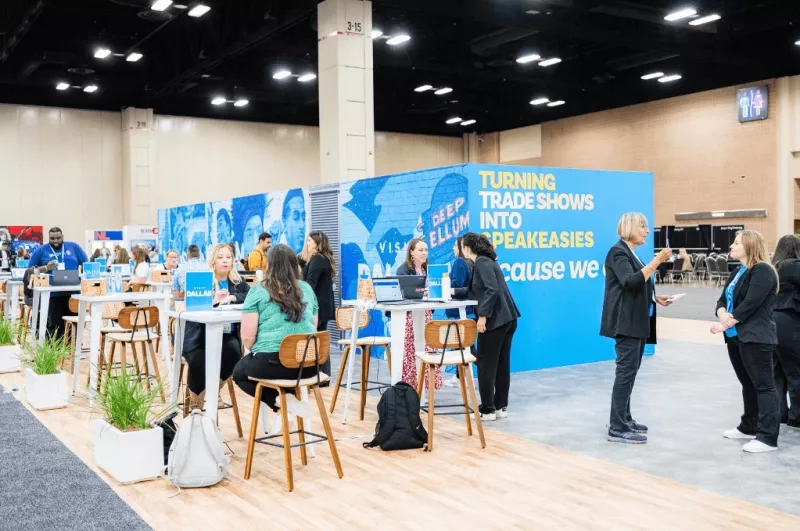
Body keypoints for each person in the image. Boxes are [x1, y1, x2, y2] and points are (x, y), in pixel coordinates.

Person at [600, 213, 673, 444]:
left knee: (630, 372)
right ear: (631, 228)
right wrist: (657, 261)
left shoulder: (631, 253)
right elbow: (630, 281)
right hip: (626, 322)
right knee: (625, 373)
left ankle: (625, 418)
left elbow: (639, 284)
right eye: (643, 226)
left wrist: (654, 297)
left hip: (638, 321)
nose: (647, 231)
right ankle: (617, 426)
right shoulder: (617, 252)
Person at [711, 230, 780, 453]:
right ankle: (748, 426)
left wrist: (724, 324)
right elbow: (722, 300)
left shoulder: (763, 270)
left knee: (764, 386)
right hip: (736, 336)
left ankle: (767, 437)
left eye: (736, 243)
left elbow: (750, 303)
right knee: (747, 383)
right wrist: (722, 315)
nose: (731, 246)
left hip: (756, 336)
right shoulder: (737, 271)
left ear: (749, 246)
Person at [233, 244, 319, 417]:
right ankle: (287, 402)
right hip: (309, 365)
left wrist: (260, 350)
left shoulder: (258, 290)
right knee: (271, 368)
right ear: (295, 265)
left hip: (273, 364)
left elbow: (248, 338)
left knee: (239, 373)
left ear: (269, 265)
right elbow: (313, 325)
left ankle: (279, 400)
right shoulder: (307, 289)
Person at [451, 233, 520, 420]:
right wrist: (453, 291)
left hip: (495, 320)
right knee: (501, 364)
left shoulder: (482, 263)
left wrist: (482, 316)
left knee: (486, 364)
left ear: (467, 247)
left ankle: (487, 409)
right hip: (507, 318)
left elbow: (492, 289)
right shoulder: (485, 262)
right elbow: (477, 290)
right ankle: (500, 407)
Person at [180, 244, 250, 409]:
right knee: (199, 360)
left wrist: (232, 297)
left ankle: (211, 391)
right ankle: (196, 406)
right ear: (213, 261)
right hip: (198, 335)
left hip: (226, 335)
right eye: (220, 257)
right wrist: (214, 301)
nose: (225, 261)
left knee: (234, 353)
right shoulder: (203, 280)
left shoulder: (238, 282)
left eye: (228, 257)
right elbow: (191, 305)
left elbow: (250, 296)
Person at [396, 238, 442, 389]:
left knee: (428, 349)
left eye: (426, 250)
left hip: (426, 315)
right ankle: (411, 387)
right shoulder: (403, 270)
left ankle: (426, 386)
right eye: (420, 250)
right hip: (410, 317)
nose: (424, 253)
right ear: (411, 252)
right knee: (411, 351)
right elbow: (404, 293)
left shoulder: (429, 270)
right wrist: (422, 292)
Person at [28, 227, 88, 339]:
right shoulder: (41, 251)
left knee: (73, 323)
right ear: (48, 238)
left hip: (73, 293)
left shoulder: (74, 247)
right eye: (52, 238)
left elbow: (87, 264)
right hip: (52, 295)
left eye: (58, 238)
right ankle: (55, 346)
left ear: (62, 236)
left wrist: (84, 277)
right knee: (55, 325)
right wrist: (46, 267)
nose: (55, 241)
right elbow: (30, 270)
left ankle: (73, 345)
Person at [771, 234, 800, 428]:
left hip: (771, 322)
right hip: (789, 322)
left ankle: (780, 413)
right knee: (795, 371)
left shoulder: (773, 268)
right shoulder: (794, 266)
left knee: (777, 372)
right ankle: (797, 416)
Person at [302, 231, 336, 382]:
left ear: (317, 243)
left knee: (316, 341)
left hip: (318, 307)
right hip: (323, 306)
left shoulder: (317, 259)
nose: (307, 243)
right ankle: (323, 375)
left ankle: (318, 375)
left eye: (310, 241)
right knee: (320, 340)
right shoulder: (323, 259)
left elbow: (310, 284)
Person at [444, 236, 476, 388]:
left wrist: (447, 287)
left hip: (460, 312)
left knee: (465, 348)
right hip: (469, 311)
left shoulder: (459, 262)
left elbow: (457, 285)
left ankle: (488, 370)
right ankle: (459, 377)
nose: (453, 249)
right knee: (463, 347)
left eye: (455, 246)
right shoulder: (470, 263)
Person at [282, 189, 307, 254]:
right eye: (296, 217)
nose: (302, 226)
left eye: (304, 218)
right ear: (285, 226)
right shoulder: (280, 258)